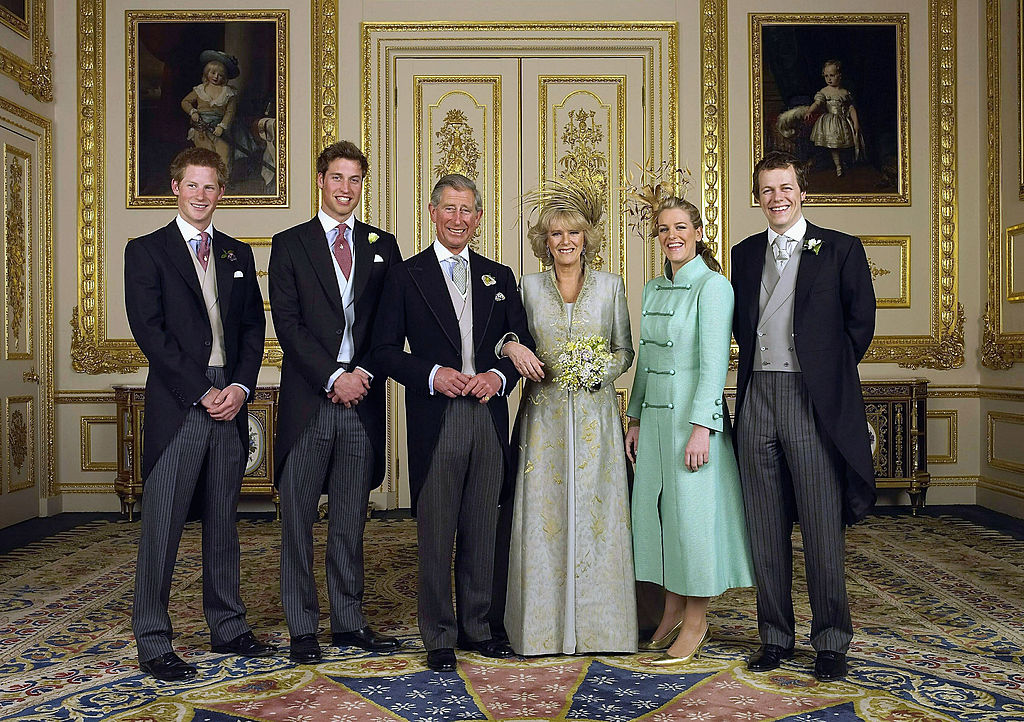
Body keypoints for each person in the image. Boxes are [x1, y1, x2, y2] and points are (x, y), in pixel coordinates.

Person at [373, 173, 535, 673]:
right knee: (437, 530)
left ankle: (478, 628)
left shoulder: (499, 276)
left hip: (487, 415)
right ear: (431, 212)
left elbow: (520, 341)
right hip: (436, 416)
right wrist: (432, 374)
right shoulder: (406, 275)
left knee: (483, 527)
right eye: (449, 209)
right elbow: (382, 351)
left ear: (479, 218)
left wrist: (498, 376)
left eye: (467, 211)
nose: (458, 219)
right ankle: (439, 634)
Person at [124, 146, 273, 681]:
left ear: (221, 193)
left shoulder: (237, 254)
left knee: (223, 523)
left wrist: (238, 386)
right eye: (193, 186)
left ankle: (228, 626)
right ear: (174, 188)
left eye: (211, 187)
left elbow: (253, 329)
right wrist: (200, 391)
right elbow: (151, 333)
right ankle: (153, 638)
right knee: (162, 525)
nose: (201, 196)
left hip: (229, 398)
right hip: (180, 400)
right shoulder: (146, 251)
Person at [732, 150, 876, 682]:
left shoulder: (839, 248)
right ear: (758, 197)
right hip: (757, 400)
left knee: (820, 527)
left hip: (811, 401)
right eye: (767, 190)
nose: (777, 198)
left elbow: (860, 323)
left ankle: (831, 640)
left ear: (802, 192)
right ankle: (774, 636)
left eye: (785, 188)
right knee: (765, 526)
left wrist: (825, 372)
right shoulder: (744, 254)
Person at [270, 141, 402, 664]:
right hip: (310, 401)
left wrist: (362, 373)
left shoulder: (382, 245)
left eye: (355, 180)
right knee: (297, 522)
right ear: (320, 180)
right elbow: (289, 325)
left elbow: (388, 324)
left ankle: (349, 623)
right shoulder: (291, 244)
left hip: (362, 401)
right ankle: (302, 628)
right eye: (337, 178)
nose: (346, 188)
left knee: (350, 522)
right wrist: (332, 378)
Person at [501, 179, 636, 656]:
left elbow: (626, 351)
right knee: (545, 518)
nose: (565, 242)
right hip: (545, 421)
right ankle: (542, 631)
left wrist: (603, 368)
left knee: (598, 518)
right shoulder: (529, 287)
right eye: (556, 234)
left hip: (597, 420)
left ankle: (603, 630)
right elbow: (506, 336)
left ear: (587, 239)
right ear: (545, 241)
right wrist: (511, 345)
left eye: (573, 234)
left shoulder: (610, 287)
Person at [624, 196, 754, 665]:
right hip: (654, 422)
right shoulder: (653, 288)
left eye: (680, 227)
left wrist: (703, 428)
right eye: (662, 229)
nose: (671, 235)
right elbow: (646, 360)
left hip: (692, 423)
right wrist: (635, 417)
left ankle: (696, 620)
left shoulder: (714, 287)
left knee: (693, 524)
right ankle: (671, 608)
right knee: (658, 519)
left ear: (698, 232)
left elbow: (714, 364)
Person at [181, 50, 239, 177]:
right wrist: (193, 112)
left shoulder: (229, 92)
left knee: (224, 153)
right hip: (202, 130)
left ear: (225, 78)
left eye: (221, 75)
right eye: (213, 73)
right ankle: (207, 181)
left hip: (220, 131)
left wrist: (221, 126)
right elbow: (185, 102)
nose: (216, 77)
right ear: (207, 73)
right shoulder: (200, 89)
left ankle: (222, 182)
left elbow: (230, 112)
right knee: (207, 155)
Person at [806, 59, 863, 177]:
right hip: (830, 122)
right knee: (833, 145)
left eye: (832, 75)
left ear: (840, 76)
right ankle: (838, 166)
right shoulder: (824, 91)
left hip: (843, 121)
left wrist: (856, 122)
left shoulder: (845, 92)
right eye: (826, 76)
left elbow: (851, 108)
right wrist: (810, 110)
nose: (829, 79)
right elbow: (818, 103)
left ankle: (846, 164)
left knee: (845, 145)